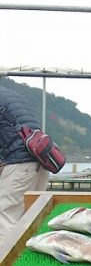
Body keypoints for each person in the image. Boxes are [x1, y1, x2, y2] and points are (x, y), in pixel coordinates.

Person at [0, 85, 49, 244]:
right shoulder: (10, 95)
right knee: (30, 218)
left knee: (4, 217)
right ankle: (31, 255)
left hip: (20, 165)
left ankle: (6, 259)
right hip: (41, 161)